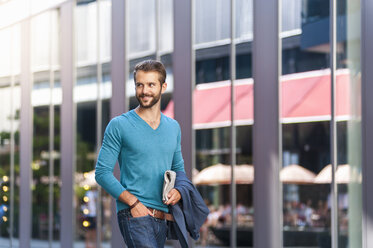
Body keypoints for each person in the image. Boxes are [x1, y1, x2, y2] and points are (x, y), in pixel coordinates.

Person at [95, 60, 185, 248]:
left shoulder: (173, 127)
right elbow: (102, 173)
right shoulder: (119, 125)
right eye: (139, 85)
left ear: (163, 86)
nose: (144, 91)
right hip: (134, 214)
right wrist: (134, 204)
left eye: (151, 84)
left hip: (163, 217)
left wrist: (178, 190)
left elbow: (179, 170)